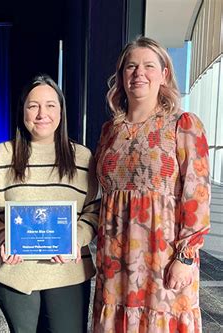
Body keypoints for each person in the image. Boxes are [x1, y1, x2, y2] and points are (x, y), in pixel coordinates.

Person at [93, 36, 211, 332]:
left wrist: (185, 257)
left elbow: (197, 195)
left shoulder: (182, 124)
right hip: (114, 262)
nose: (138, 74)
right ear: (121, 76)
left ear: (164, 74)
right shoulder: (110, 131)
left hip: (163, 258)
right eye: (131, 67)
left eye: (148, 66)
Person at [0, 74, 100, 333]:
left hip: (68, 271)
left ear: (61, 111)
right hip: (13, 271)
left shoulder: (83, 157)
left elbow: (95, 209)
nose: (42, 113)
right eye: (33, 106)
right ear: (22, 111)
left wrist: (76, 237)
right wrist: (1, 234)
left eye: (51, 105)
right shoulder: (2, 155)